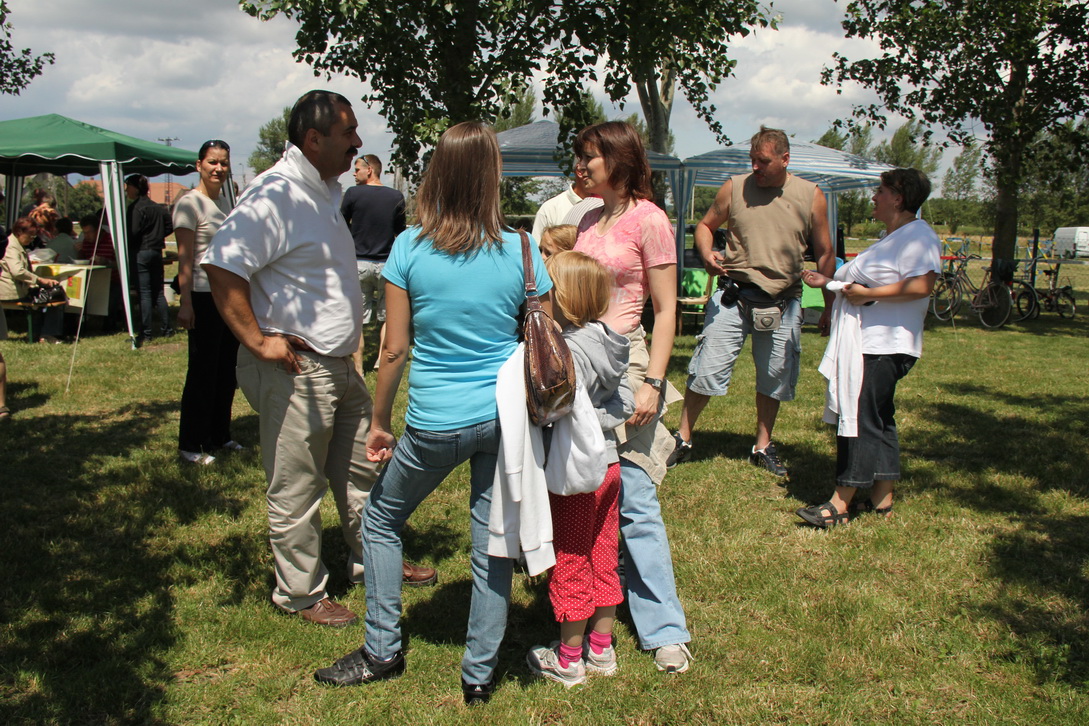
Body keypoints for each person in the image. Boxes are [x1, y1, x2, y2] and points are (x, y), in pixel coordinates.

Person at [313, 121, 552, 705]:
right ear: (493, 175)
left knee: (379, 519)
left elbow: (394, 349)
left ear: (436, 174)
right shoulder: (522, 249)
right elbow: (546, 335)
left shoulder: (410, 248)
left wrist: (379, 422)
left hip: (435, 421)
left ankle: (382, 650)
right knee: (491, 541)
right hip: (504, 418)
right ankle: (479, 674)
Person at [202, 90, 436, 628]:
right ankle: (301, 592)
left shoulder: (326, 190)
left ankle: (372, 558)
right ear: (313, 138)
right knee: (297, 483)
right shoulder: (276, 193)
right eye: (347, 132)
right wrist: (259, 342)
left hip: (337, 364)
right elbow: (222, 264)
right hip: (296, 367)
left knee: (362, 471)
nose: (358, 142)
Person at [571, 120, 693, 674]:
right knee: (587, 487)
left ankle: (664, 630)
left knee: (637, 496)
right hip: (582, 361)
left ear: (618, 160)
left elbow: (666, 311)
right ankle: (593, 601)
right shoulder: (588, 219)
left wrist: (653, 381)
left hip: (628, 365)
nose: (580, 166)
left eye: (589, 157)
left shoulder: (651, 219)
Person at [668, 126, 835, 478]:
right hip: (733, 295)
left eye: (764, 161)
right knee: (706, 368)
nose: (756, 167)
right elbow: (705, 226)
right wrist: (706, 253)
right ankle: (682, 437)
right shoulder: (734, 187)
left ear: (785, 159)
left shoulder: (811, 195)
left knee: (775, 376)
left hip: (783, 301)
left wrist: (830, 306)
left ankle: (763, 444)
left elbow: (825, 252)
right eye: (752, 160)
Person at [796, 168, 941, 528]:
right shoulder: (892, 237)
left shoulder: (919, 236)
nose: (874, 197)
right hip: (872, 342)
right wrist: (830, 282)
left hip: (884, 344)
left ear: (899, 198)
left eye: (881, 191)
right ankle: (882, 499)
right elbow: (867, 282)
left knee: (860, 417)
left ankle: (840, 502)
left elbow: (923, 285)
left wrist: (868, 294)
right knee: (879, 415)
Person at [526, 250, 635, 688]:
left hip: (574, 472)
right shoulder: (610, 341)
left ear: (562, 297)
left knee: (571, 554)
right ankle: (601, 648)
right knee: (604, 552)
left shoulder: (566, 349)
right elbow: (626, 401)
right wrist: (603, 421)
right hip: (610, 466)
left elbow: (555, 408)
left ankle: (568, 658)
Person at [173, 140, 241, 465]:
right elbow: (184, 260)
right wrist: (185, 302)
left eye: (224, 163)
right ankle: (191, 443)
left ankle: (219, 435)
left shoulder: (226, 204)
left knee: (226, 370)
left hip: (227, 297)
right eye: (213, 162)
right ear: (199, 165)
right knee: (202, 372)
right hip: (201, 296)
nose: (219, 168)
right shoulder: (189, 204)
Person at [340, 153, 406, 371]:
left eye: (357, 169)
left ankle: (359, 368)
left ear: (369, 170)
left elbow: (340, 225)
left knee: (357, 319)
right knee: (387, 317)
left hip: (358, 263)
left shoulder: (353, 194)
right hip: (387, 266)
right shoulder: (396, 196)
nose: (354, 173)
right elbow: (400, 232)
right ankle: (380, 360)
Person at [125, 173, 173, 344]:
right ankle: (167, 329)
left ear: (136, 188)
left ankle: (146, 332)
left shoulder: (135, 208)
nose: (126, 190)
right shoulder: (158, 207)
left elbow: (133, 232)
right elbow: (170, 225)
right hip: (156, 251)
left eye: (128, 187)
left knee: (144, 293)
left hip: (141, 252)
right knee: (158, 292)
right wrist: (158, 236)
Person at [1, 217, 64, 343]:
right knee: (55, 296)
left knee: (55, 295)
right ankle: (46, 334)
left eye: (34, 236)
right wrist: (39, 280)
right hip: (10, 292)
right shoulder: (11, 247)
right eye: (30, 235)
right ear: (19, 232)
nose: (32, 239)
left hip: (18, 288)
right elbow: (17, 271)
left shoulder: (16, 244)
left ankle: (42, 333)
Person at [79, 212, 123, 332]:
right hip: (92, 280)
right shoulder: (86, 242)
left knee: (112, 297)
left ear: (98, 230)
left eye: (89, 232)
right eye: (84, 232)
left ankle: (109, 326)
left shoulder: (111, 241)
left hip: (112, 280)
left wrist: (107, 262)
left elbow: (121, 265)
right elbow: (82, 258)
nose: (86, 236)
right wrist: (80, 253)